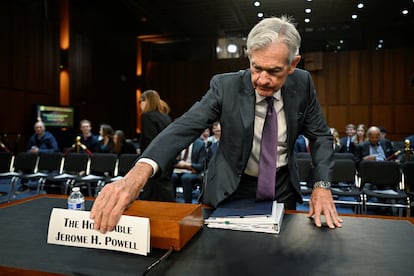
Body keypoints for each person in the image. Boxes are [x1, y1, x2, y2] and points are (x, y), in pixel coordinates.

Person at [91, 16, 342, 233]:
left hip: (282, 187)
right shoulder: (225, 86)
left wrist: (322, 185)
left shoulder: (303, 83)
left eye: (274, 71)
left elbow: (320, 136)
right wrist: (136, 175)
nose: (262, 80)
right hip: (231, 188)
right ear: (249, 56)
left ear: (293, 64)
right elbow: (184, 127)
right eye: (256, 68)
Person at [137, 89, 175, 202]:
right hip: (167, 157)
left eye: (141, 102)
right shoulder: (165, 117)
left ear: (146, 101)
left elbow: (150, 139)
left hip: (154, 159)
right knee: (164, 190)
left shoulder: (147, 116)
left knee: (152, 192)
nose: (140, 105)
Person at [171, 138, 208, 203]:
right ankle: (171, 202)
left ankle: (188, 203)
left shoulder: (200, 144)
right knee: (172, 176)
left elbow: (201, 166)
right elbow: (172, 161)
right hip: (178, 170)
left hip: (193, 172)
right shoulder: (177, 142)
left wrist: (186, 165)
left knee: (186, 178)